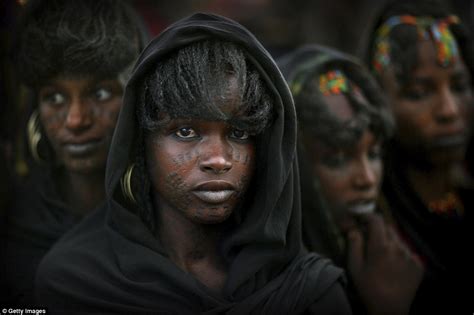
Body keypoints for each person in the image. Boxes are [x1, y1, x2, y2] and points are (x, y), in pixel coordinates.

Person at [35, 13, 352, 314]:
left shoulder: (307, 290)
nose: (217, 159)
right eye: (185, 132)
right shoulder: (75, 282)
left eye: (239, 133)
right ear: (140, 142)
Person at [1, 0, 148, 305]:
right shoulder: (14, 220)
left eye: (101, 93)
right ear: (35, 111)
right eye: (55, 97)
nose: (76, 119)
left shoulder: (172, 216)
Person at [279, 45, 424, 315]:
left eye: (374, 153)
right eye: (337, 160)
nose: (367, 179)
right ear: (289, 166)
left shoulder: (394, 254)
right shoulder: (274, 290)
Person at [365, 0, 474, 312]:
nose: (449, 111)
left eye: (460, 85)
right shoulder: (376, 233)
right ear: (379, 103)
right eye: (418, 92)